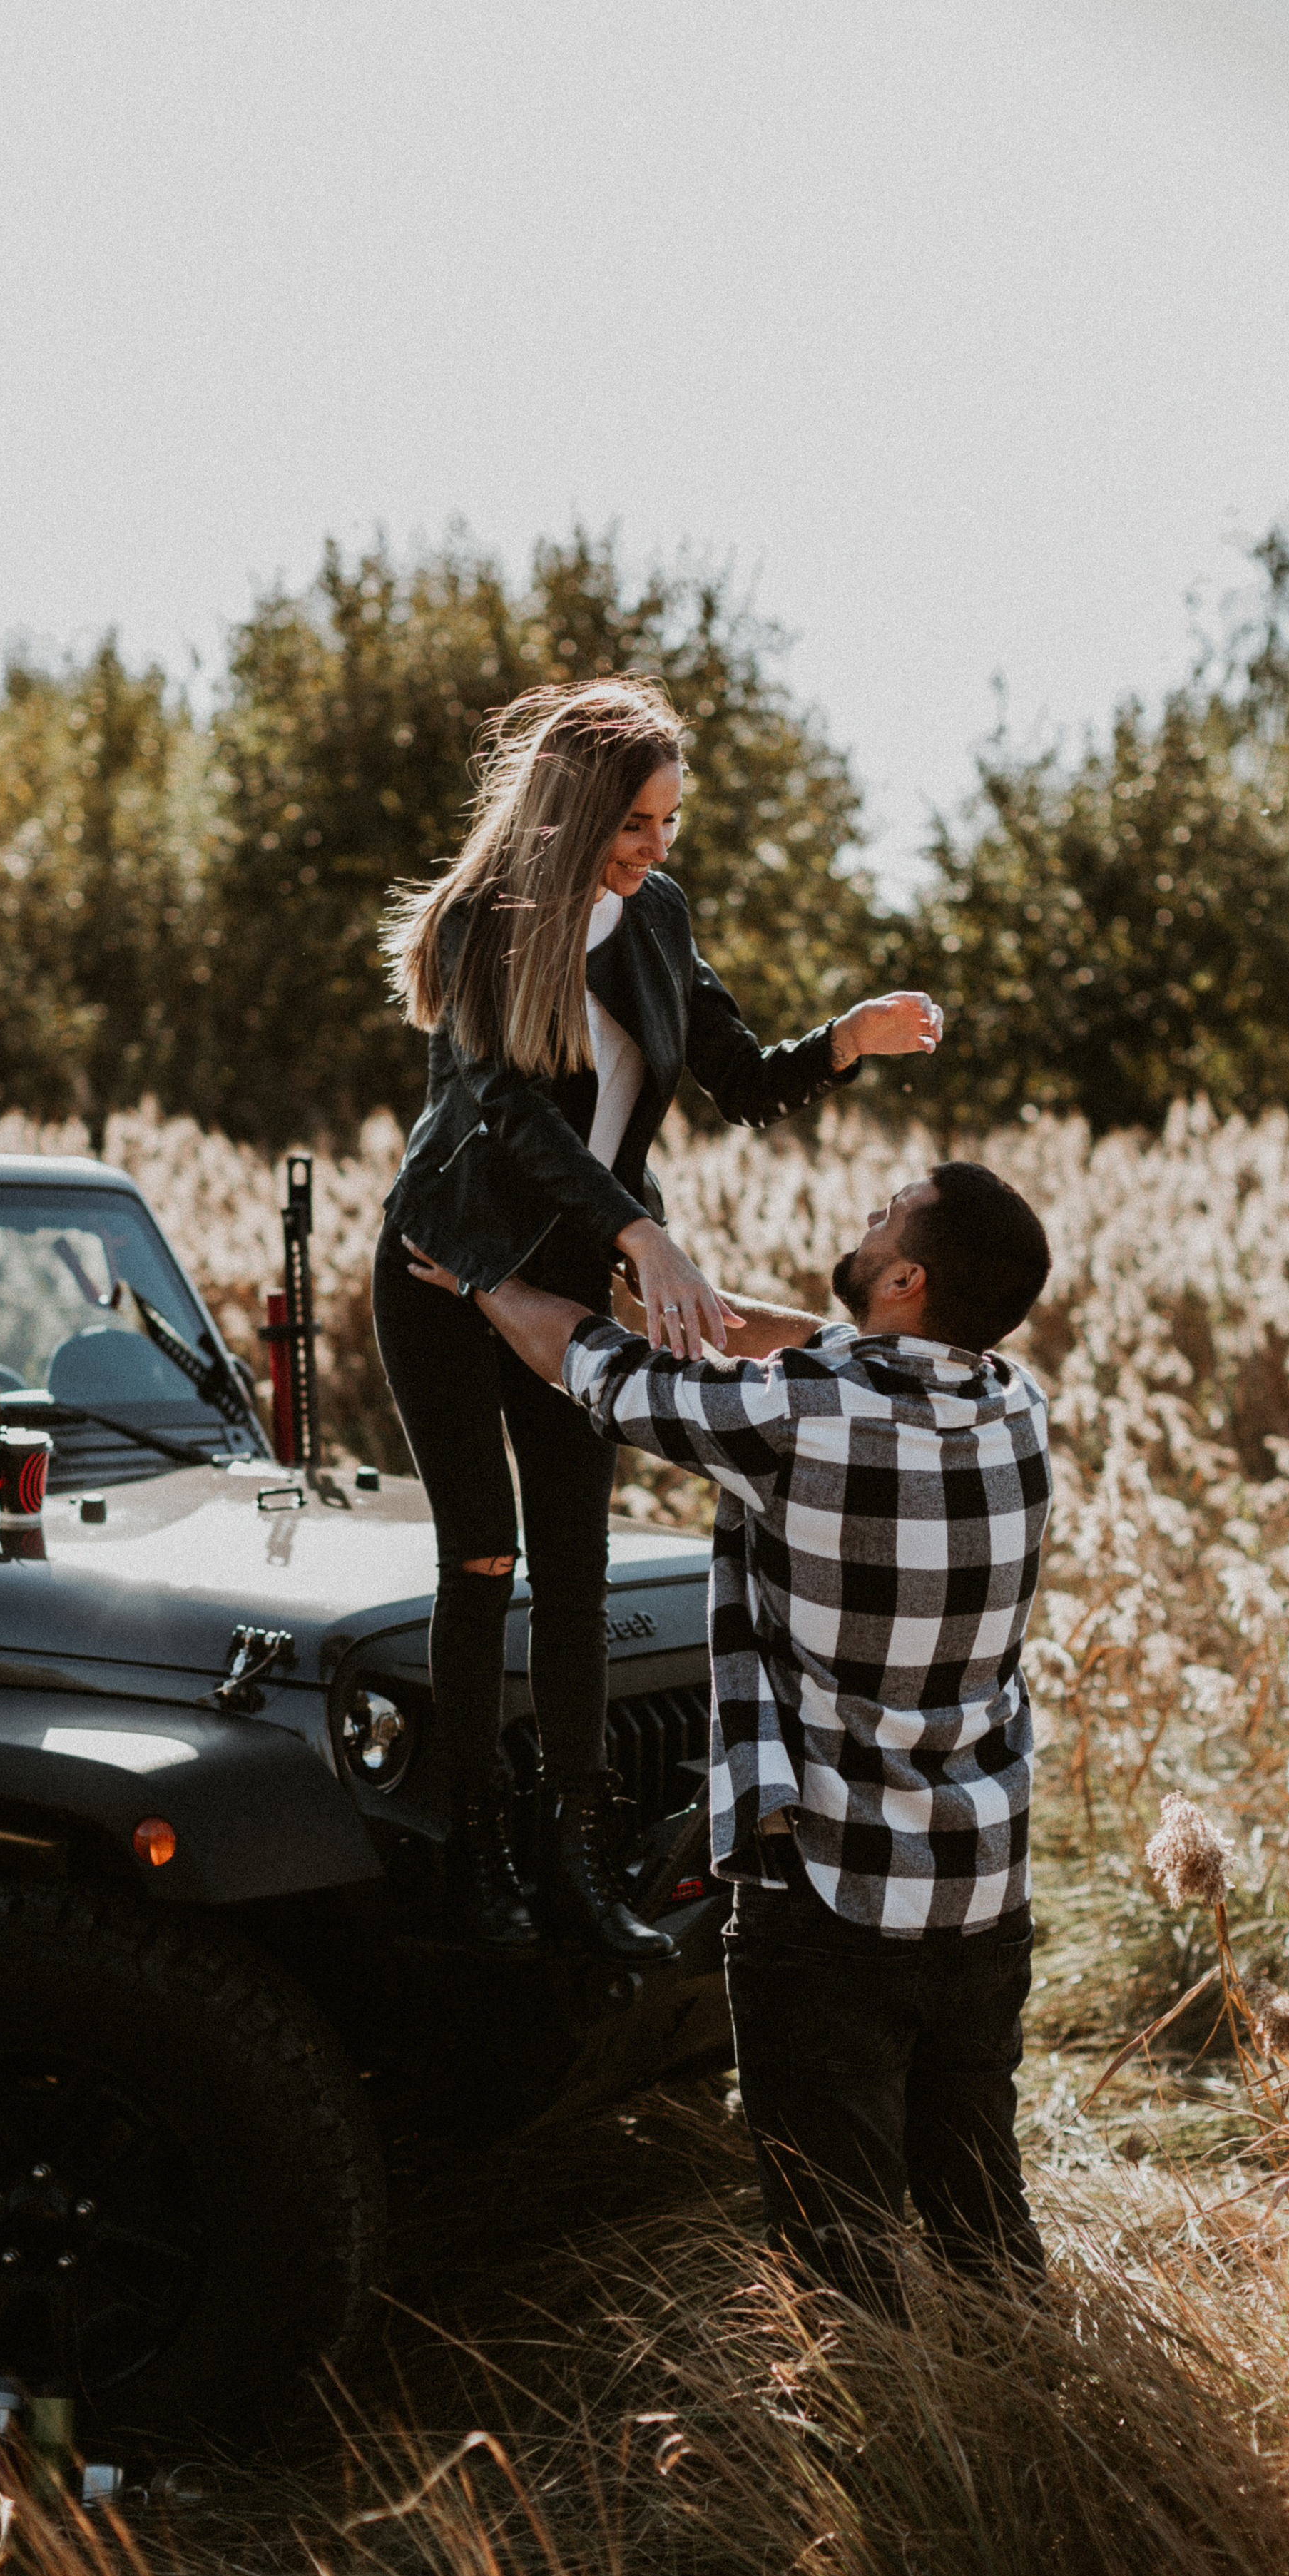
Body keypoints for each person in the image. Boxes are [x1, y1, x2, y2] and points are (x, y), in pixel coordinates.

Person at [403, 1159, 1054, 2301]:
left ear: (903, 1274)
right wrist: (690, 1290)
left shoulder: (797, 1413)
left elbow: (594, 1370)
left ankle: (870, 2471)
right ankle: (1030, 2427)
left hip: (833, 1899)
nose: (862, 1214)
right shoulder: (1013, 1406)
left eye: (882, 1215)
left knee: (837, 2253)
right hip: (981, 1892)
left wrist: (480, 1277)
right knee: (981, 2220)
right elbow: (838, 1349)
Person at [372, 674, 947, 1959]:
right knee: (483, 1559)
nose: (655, 849)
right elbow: (507, 1116)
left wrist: (843, 1040)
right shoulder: (481, 926)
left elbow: (739, 1077)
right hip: (448, 1268)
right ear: (576, 815)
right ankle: (476, 1851)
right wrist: (641, 1233)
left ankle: (572, 1862)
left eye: (670, 826)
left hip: (579, 1275)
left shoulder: (657, 916)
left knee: (575, 1568)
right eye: (636, 824)